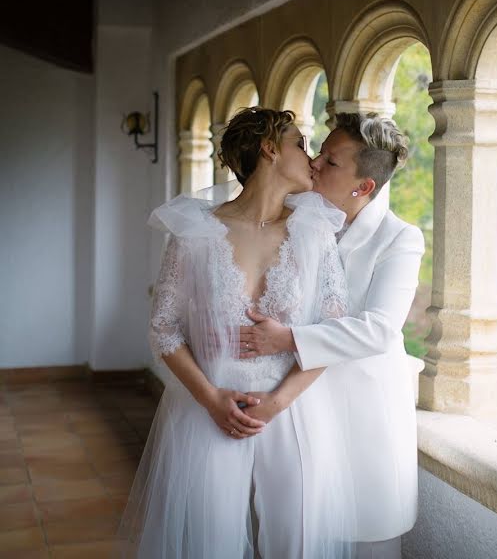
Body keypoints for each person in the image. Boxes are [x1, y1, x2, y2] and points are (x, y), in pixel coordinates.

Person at [119, 107, 358, 558]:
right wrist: (211, 400)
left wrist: (277, 403)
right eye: (300, 145)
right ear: (269, 148)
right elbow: (164, 328)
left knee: (297, 543)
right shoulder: (195, 231)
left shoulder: (314, 230)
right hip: (210, 408)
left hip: (293, 407)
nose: (311, 160)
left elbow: (332, 331)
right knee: (209, 544)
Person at [238, 112, 425, 558]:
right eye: (318, 152)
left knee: (367, 543)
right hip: (298, 414)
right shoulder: (294, 216)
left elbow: (379, 330)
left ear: (364, 187)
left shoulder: (399, 239)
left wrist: (288, 339)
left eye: (332, 161)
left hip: (361, 420)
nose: (316, 163)